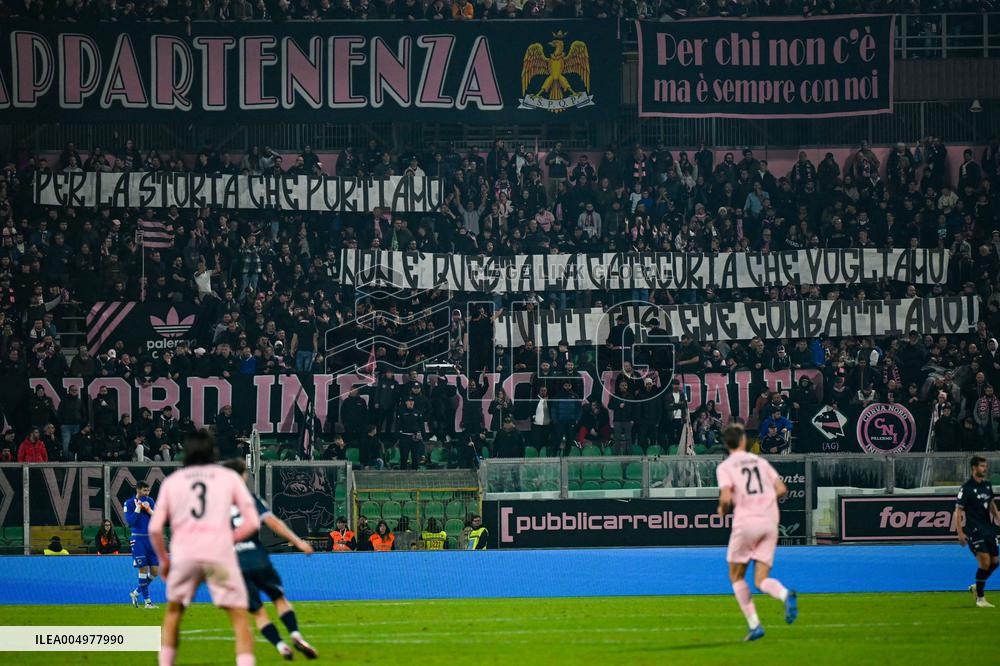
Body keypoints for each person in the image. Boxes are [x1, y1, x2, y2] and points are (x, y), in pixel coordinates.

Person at [149, 431, 261, 666]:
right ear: (213, 451)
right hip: (218, 556)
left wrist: (164, 560)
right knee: (239, 617)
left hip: (185, 556)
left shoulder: (172, 482)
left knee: (174, 613)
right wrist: (229, 540)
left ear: (185, 452)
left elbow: (155, 529)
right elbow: (252, 522)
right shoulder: (228, 478)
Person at [223, 459, 319, 660]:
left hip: (234, 564)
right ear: (242, 476)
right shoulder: (250, 499)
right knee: (279, 599)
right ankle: (295, 634)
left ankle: (280, 646)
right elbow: (272, 522)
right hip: (257, 557)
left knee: (258, 612)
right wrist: (298, 542)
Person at [716, 423, 797, 641]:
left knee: (736, 576)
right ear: (743, 441)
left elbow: (726, 497)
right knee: (761, 580)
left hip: (747, 522)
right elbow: (781, 489)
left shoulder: (725, 467)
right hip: (770, 521)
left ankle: (755, 625)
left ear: (727, 444)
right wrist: (765, 500)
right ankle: (784, 594)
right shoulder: (760, 462)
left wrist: (722, 509)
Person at [955, 456, 1000, 608]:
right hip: (974, 530)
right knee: (985, 562)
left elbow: (991, 504)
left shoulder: (987, 485)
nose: (985, 469)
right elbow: (958, 511)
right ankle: (980, 598)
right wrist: (960, 532)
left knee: (995, 562)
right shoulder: (966, 488)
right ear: (974, 468)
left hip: (988, 529)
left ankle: (976, 586)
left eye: (985, 466)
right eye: (982, 466)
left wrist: (998, 518)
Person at [125, 481, 159, 609]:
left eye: (148, 490)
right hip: (138, 539)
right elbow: (130, 522)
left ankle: (135, 593)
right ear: (138, 490)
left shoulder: (150, 501)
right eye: (144, 490)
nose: (147, 493)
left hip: (151, 538)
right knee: (143, 570)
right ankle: (147, 602)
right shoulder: (129, 503)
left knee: (155, 571)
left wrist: (149, 510)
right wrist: (138, 508)